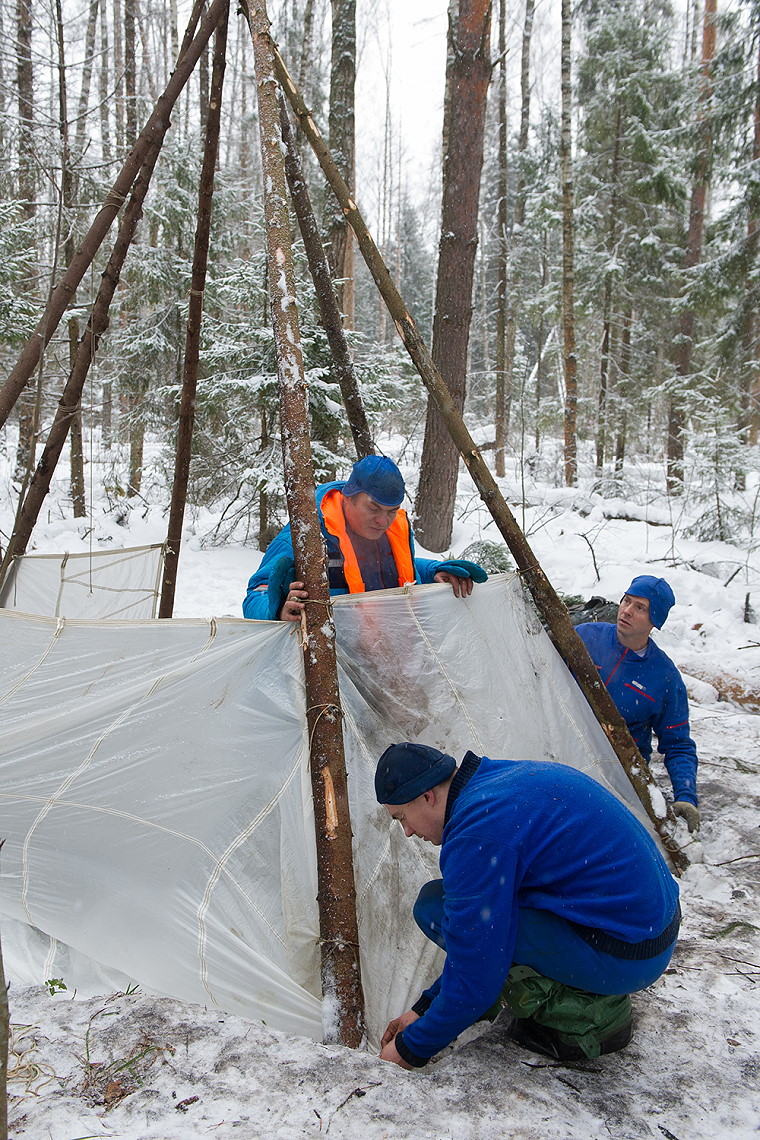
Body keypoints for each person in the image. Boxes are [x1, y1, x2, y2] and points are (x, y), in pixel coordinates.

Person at [375, 742, 681, 1069]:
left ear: (427, 797)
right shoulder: (495, 781)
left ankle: (580, 1018)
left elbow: (477, 964)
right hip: (650, 929)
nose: (407, 831)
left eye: (403, 817)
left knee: (435, 908)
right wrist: (423, 1010)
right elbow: (477, 929)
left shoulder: (478, 833)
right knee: (473, 913)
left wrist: (410, 1049)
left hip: (629, 954)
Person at [242, 456, 486, 621]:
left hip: (388, 660)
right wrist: (277, 609)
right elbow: (256, 594)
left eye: (392, 511)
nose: (383, 521)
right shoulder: (304, 535)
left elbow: (396, 573)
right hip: (330, 670)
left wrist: (432, 572)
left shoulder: (391, 531)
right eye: (373, 508)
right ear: (349, 497)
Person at [575, 575, 700, 832]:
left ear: (656, 621)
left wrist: (686, 798)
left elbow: (678, 745)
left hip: (618, 773)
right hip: (566, 749)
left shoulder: (664, 677)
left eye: (640, 608)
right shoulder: (586, 636)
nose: (627, 611)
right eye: (626, 601)